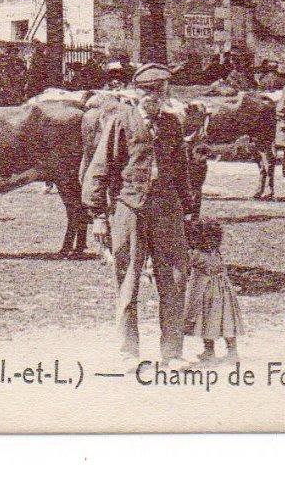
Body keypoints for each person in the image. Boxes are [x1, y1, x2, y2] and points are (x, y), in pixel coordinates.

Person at [84, 63, 194, 369]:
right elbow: (100, 169)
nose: (152, 97)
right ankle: (128, 353)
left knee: (174, 281)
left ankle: (172, 353)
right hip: (130, 209)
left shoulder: (172, 125)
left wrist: (188, 211)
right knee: (128, 281)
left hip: (167, 212)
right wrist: (97, 216)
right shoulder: (121, 121)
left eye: (159, 91)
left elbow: (182, 171)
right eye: (147, 91)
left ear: (166, 93)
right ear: (136, 92)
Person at [183, 219, 243, 366]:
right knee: (226, 322)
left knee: (206, 321)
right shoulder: (216, 253)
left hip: (205, 292)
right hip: (224, 292)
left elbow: (183, 266)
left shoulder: (195, 255)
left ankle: (210, 352)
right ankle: (232, 352)